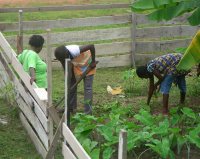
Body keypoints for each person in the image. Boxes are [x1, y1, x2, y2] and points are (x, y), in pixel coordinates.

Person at [54, 44, 96, 114]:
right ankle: (70, 108)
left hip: (88, 62)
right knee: (71, 85)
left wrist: (93, 61)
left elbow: (91, 46)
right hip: (77, 64)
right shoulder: (61, 56)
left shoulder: (75, 51)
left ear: (67, 54)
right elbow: (66, 70)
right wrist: (68, 80)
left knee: (88, 88)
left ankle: (88, 112)